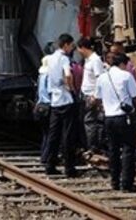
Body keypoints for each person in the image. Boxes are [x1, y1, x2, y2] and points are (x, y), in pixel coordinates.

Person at [94, 53, 136, 191]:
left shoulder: (102, 78)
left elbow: (97, 99)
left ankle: (114, 181)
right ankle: (127, 184)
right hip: (124, 117)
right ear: (123, 63)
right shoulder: (126, 76)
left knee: (113, 150)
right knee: (128, 149)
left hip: (109, 118)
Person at [45, 34, 79, 177]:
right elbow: (68, 75)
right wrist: (72, 89)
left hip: (54, 100)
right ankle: (69, 167)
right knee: (68, 134)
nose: (72, 48)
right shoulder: (64, 58)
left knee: (53, 134)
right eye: (71, 45)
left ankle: (50, 164)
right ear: (65, 45)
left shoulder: (50, 59)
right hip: (65, 99)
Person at [77, 37, 106, 152]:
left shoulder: (95, 60)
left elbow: (99, 78)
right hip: (86, 93)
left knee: (90, 121)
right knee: (88, 121)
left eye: (79, 49)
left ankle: (93, 146)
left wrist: (95, 95)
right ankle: (90, 145)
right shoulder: (88, 60)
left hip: (91, 94)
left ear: (83, 48)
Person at [34, 55, 52, 164]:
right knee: (51, 133)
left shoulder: (40, 76)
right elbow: (50, 91)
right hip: (48, 106)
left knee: (45, 133)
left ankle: (44, 155)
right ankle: (47, 157)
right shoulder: (49, 76)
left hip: (40, 106)